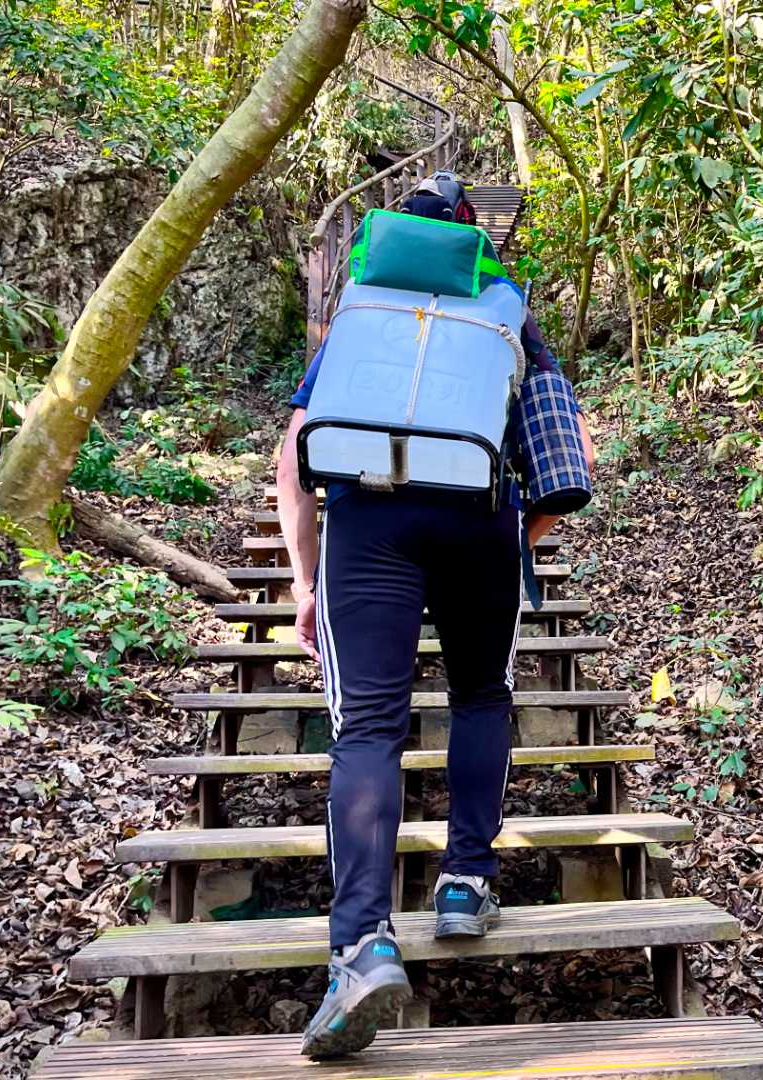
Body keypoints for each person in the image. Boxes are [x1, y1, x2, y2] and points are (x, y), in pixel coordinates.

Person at [275, 178, 597, 1060]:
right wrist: (513, 532)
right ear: (474, 241)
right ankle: (464, 883)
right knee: (482, 696)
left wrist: (305, 579)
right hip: (478, 518)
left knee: (368, 727)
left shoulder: (363, 304)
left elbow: (294, 453)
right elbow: (575, 453)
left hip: (368, 523)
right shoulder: (506, 311)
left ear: (398, 237)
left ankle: (363, 947)